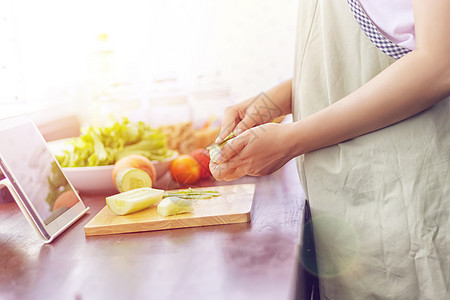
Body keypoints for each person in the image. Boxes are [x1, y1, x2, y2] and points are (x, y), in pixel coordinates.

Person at [210, 0, 450, 299]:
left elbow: (439, 64)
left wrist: (290, 140)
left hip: (410, 198)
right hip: (354, 206)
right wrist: (279, 100)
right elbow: (377, 53)